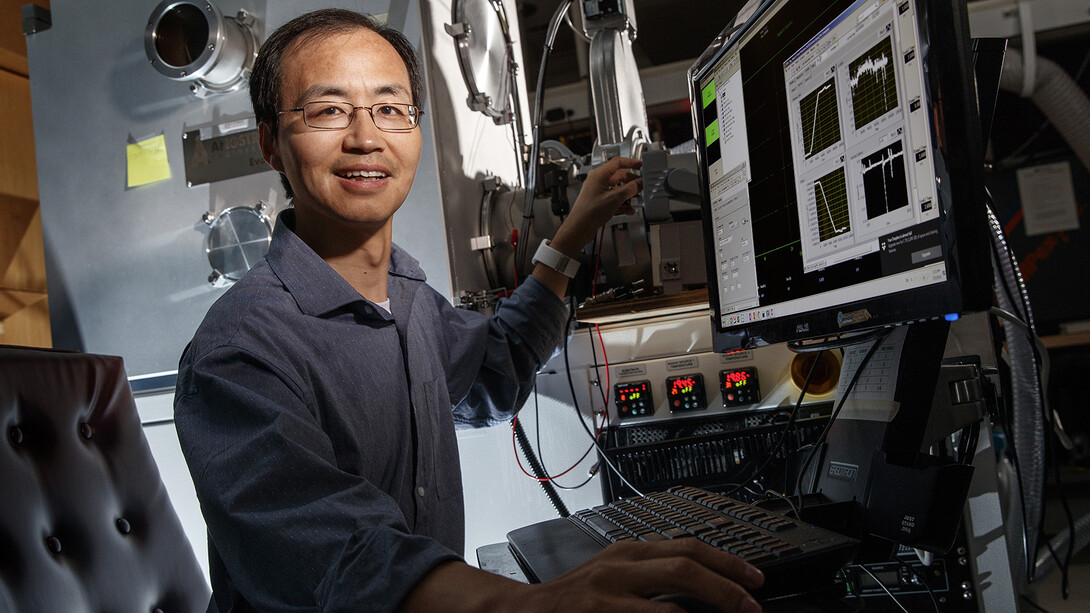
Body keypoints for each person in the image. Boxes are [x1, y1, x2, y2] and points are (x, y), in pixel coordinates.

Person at [174, 8, 764, 613]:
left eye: (389, 108)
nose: (365, 136)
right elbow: (339, 560)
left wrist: (572, 234)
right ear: (271, 143)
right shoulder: (238, 354)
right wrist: (530, 604)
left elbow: (497, 368)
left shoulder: (407, 300)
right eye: (328, 110)